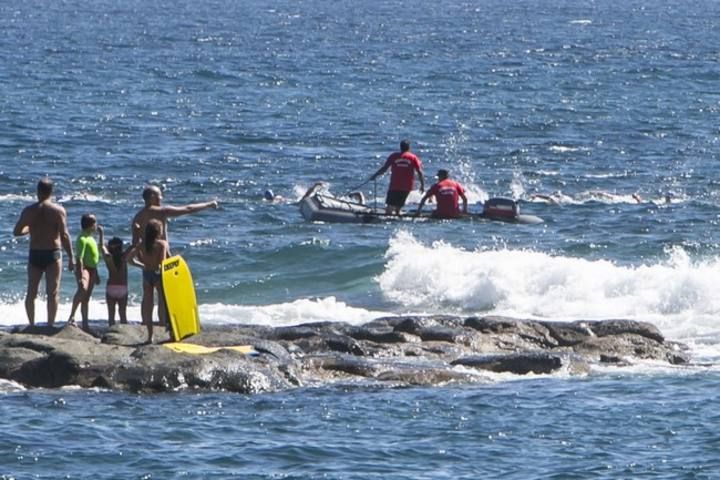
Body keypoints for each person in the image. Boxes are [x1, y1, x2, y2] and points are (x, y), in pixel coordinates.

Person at [13, 178, 74, 327]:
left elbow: (17, 231)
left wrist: (31, 229)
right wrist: (71, 257)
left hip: (35, 253)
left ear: (37, 191)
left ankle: (32, 325)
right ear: (51, 192)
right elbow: (64, 235)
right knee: (52, 293)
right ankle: (50, 325)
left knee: (31, 292)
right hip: (53, 253)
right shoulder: (58, 211)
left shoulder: (28, 211)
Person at [130, 185, 218, 250]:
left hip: (147, 263)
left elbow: (135, 244)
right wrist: (208, 204)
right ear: (152, 197)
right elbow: (188, 209)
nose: (160, 199)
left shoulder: (137, 218)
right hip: (162, 256)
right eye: (159, 196)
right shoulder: (161, 211)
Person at [131, 219, 169, 344]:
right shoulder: (162, 244)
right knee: (162, 302)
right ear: (158, 232)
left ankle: (150, 336)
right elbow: (162, 262)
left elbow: (129, 259)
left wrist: (142, 265)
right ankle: (162, 328)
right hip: (158, 274)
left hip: (147, 274)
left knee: (148, 305)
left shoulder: (142, 244)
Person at [370, 139, 424, 215]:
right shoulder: (413, 157)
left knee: (389, 206)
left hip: (394, 185)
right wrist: (422, 185)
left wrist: (375, 176)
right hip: (406, 186)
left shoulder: (394, 156)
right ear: (409, 148)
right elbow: (419, 172)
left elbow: (384, 168)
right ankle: (396, 218)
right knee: (398, 207)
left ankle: (387, 220)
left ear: (400, 147)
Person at [68, 214, 101, 330]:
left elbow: (94, 257)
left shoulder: (91, 238)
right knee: (82, 289)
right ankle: (72, 316)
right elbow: (79, 258)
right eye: (94, 223)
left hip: (92, 268)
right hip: (85, 268)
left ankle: (85, 323)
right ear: (90, 225)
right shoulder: (82, 238)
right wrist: (81, 275)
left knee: (86, 298)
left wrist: (96, 273)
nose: (96, 226)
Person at [101, 234, 131, 326]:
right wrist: (137, 231)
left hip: (111, 287)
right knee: (123, 314)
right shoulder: (124, 257)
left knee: (111, 315)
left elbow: (102, 246)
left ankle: (111, 333)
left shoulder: (108, 258)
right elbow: (134, 245)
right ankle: (124, 335)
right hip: (122, 288)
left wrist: (101, 233)